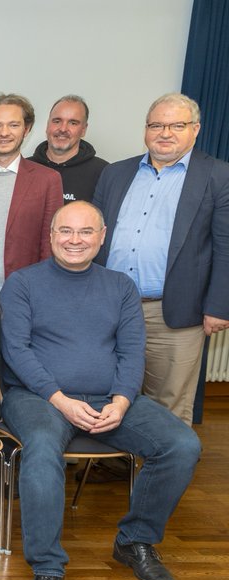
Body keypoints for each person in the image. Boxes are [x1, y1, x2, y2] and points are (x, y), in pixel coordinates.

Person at [0, 201, 201, 580]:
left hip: (110, 398)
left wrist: (122, 401)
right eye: (66, 231)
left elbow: (131, 352)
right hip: (38, 398)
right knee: (40, 450)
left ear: (102, 236)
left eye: (86, 232)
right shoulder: (22, 284)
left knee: (182, 445)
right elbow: (16, 351)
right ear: (51, 235)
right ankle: (47, 570)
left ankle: (135, 541)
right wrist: (60, 399)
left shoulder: (120, 287)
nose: (75, 240)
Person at [94, 92, 229, 425]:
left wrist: (219, 306)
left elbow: (226, 245)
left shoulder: (217, 176)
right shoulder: (115, 173)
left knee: (168, 402)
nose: (165, 133)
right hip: (111, 307)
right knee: (107, 391)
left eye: (176, 125)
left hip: (175, 311)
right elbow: (93, 238)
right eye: (157, 124)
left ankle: (162, 473)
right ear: (145, 129)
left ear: (195, 129)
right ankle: (117, 465)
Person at [0, 93, 63, 297]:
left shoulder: (48, 180)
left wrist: (43, 292)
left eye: (14, 125)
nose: (4, 133)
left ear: (26, 130)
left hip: (25, 293)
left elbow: (49, 241)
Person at [29, 95, 109, 203]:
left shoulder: (104, 173)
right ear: (47, 125)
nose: (63, 129)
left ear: (83, 130)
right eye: (57, 121)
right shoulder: (24, 168)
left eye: (73, 123)